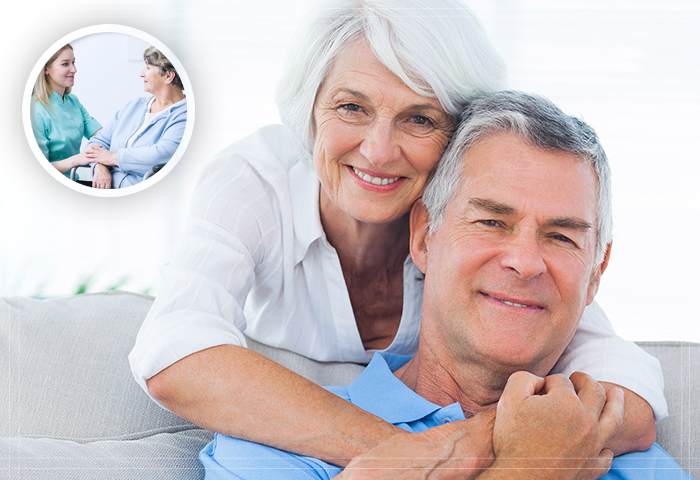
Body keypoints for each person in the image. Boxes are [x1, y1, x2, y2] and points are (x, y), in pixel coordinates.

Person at [130, 0, 666, 474]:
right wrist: (420, 456)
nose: (380, 151)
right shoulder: (258, 183)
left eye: (419, 119)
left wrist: (498, 441)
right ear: (310, 110)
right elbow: (174, 347)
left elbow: (624, 384)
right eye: (351, 107)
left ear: (461, 141)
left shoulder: (495, 247)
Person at [199, 91, 691, 480]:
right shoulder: (278, 445)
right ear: (424, 237)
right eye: (491, 222)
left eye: (561, 236)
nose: (525, 262)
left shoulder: (621, 447)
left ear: (596, 274)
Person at [84, 46, 187, 189]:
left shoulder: (185, 115)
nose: (141, 73)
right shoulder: (134, 106)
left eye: (148, 68)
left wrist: (111, 158)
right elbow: (98, 142)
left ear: (169, 76)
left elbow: (160, 155)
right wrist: (99, 166)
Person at [30, 44, 102, 182]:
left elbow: (102, 136)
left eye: (73, 62)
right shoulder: (35, 111)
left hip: (73, 181)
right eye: (65, 64)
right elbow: (37, 169)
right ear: (46, 69)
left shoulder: (73, 102)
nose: (74, 69)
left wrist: (99, 163)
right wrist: (77, 160)